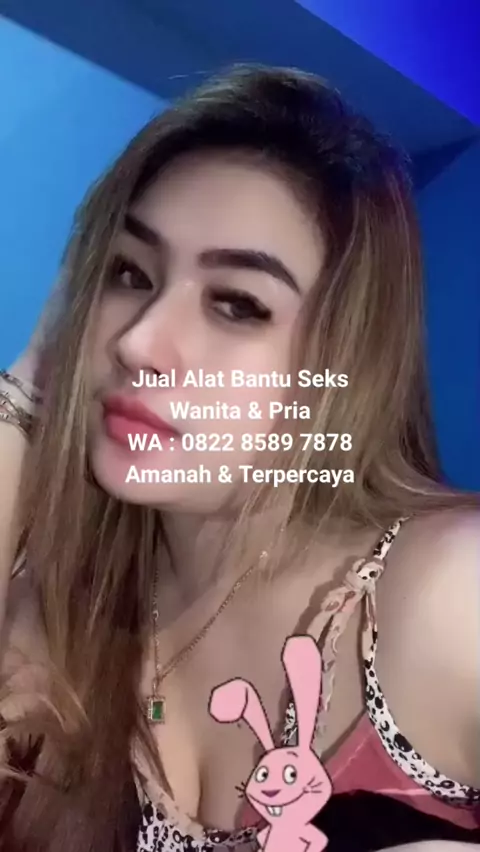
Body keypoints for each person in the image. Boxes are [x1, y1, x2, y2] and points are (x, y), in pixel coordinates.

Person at [0, 64, 478, 852]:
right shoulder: (56, 611)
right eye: (129, 273)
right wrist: (30, 384)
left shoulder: (453, 593)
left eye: (237, 304)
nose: (138, 342)